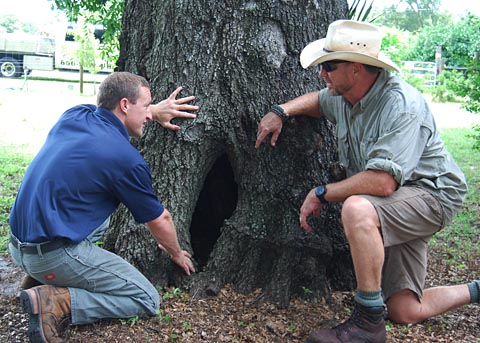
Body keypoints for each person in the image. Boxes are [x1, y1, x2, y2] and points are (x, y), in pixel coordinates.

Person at [255, 20, 479, 343]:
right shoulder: (343, 95)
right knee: (404, 310)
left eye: (329, 66)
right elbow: (318, 101)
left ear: (357, 69)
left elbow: (385, 183)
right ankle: (476, 290)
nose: (322, 74)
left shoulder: (400, 104)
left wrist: (322, 192)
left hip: (432, 195)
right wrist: (281, 111)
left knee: (357, 209)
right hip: (399, 199)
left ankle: (368, 323)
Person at [9, 72, 198, 343]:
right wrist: (176, 253)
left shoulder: (75, 115)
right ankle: (55, 299)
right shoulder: (126, 160)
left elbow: (107, 112)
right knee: (145, 298)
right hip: (50, 255)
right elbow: (160, 220)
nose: (148, 115)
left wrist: (153, 111)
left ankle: (38, 277)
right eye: (146, 106)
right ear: (124, 105)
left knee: (103, 219)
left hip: (17, 245)